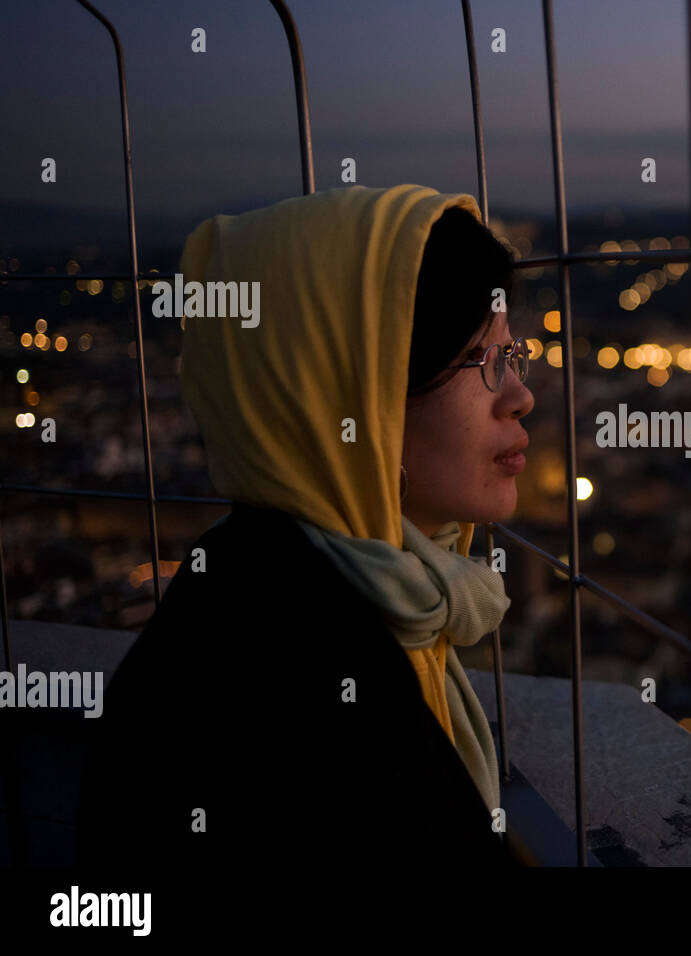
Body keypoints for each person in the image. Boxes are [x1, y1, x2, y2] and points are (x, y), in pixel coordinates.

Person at [76, 185, 535, 877]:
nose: (520, 393)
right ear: (349, 390)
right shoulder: (293, 687)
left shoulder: (289, 583)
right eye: (484, 361)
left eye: (516, 354)